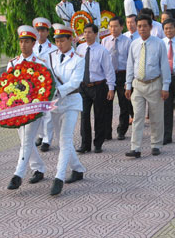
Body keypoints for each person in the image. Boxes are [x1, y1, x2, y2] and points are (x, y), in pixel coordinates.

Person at [6, 25, 46, 190]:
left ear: (33, 43)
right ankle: (39, 168)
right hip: (17, 109)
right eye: (21, 41)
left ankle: (18, 175)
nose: (23, 45)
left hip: (33, 109)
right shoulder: (13, 63)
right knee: (25, 140)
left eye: (27, 42)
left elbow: (46, 86)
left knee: (28, 139)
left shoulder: (41, 63)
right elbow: (6, 86)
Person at [125, 14, 171, 158]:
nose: (142, 29)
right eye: (139, 26)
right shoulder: (134, 44)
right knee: (137, 116)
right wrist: (128, 85)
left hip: (154, 84)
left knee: (156, 116)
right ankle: (135, 148)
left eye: (145, 26)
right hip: (138, 85)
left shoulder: (159, 43)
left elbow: (164, 66)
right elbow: (130, 66)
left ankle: (156, 144)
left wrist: (165, 86)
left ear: (151, 27)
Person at [48, 23, 86, 195]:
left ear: (71, 39)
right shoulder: (51, 57)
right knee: (62, 140)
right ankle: (78, 169)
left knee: (64, 139)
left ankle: (59, 178)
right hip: (55, 105)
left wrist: (57, 91)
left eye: (62, 41)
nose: (59, 44)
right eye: (56, 41)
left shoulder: (79, 59)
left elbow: (75, 83)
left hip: (71, 103)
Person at [76, 23, 115, 153]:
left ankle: (98, 143)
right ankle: (85, 144)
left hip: (98, 86)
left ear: (95, 34)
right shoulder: (80, 49)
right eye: (85, 32)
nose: (86, 35)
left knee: (99, 115)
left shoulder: (102, 50)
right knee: (84, 115)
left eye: (89, 32)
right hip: (84, 87)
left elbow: (109, 70)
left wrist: (111, 88)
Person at [102, 16, 133, 140]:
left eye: (115, 26)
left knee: (124, 103)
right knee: (106, 104)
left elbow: (131, 62)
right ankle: (107, 132)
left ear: (121, 27)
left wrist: (129, 81)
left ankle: (122, 130)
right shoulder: (104, 41)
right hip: (109, 75)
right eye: (111, 26)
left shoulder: (128, 41)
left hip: (122, 74)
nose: (113, 29)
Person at [32, 17, 58, 152]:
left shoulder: (53, 48)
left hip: (48, 84)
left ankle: (47, 140)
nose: (40, 33)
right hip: (34, 85)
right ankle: (41, 135)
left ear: (48, 32)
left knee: (48, 113)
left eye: (43, 30)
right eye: (38, 30)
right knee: (38, 112)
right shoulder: (32, 46)